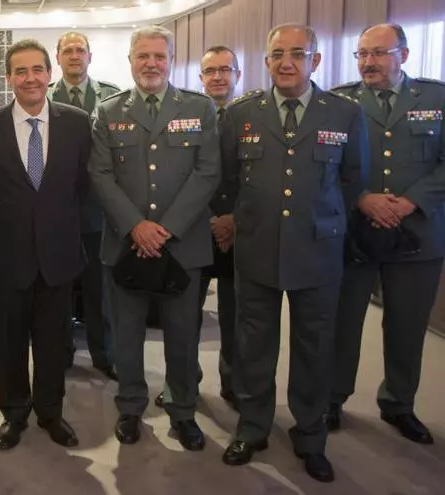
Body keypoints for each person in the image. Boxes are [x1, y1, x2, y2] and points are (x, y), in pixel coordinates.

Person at [219, 23, 370, 482]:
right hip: (257, 247)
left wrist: (321, 218)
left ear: (315, 61)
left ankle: (310, 435)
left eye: (298, 54)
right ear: (266, 61)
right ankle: (252, 427)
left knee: (314, 345)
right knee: (253, 344)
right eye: (277, 54)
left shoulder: (345, 113)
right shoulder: (241, 114)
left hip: (318, 250)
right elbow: (228, 180)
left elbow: (353, 180)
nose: (286, 62)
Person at [89, 25, 220, 451]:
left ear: (171, 60)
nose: (151, 64)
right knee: (126, 335)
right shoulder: (108, 111)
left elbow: (208, 173)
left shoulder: (199, 108)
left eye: (159, 56)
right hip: (125, 245)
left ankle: (183, 410)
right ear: (130, 60)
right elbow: (100, 174)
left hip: (182, 246)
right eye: (143, 56)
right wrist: (136, 226)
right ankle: (130, 407)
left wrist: (166, 229)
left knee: (182, 336)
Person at [327, 23, 445, 444]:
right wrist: (362, 199)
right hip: (353, 232)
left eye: (378, 53)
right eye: (361, 54)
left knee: (407, 325)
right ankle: (332, 398)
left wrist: (410, 201)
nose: (368, 62)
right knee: (343, 322)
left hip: (418, 233)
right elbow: (325, 163)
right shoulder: (339, 102)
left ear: (404, 55)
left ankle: (399, 403)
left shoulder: (436, 98)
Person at [0, 39, 90, 451]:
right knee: (8, 343)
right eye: (20, 71)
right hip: (7, 258)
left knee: (53, 342)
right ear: (9, 78)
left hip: (58, 255)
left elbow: (83, 185)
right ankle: (14, 414)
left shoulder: (77, 122)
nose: (30, 78)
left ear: (49, 73)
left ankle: (51, 412)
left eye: (37, 69)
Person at [154, 45, 242, 410]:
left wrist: (235, 218)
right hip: (192, 228)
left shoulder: (252, 115)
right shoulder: (184, 113)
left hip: (241, 230)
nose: (218, 77)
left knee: (237, 319)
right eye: (210, 71)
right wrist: (207, 218)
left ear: (238, 74)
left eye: (225, 69)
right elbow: (177, 176)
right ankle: (182, 382)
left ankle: (235, 385)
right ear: (200, 77)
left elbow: (262, 177)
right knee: (183, 319)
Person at [48, 31, 119, 380]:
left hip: (98, 210)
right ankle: (61, 352)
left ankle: (105, 354)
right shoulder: (44, 97)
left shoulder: (112, 97)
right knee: (57, 288)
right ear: (58, 58)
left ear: (90, 56)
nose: (75, 56)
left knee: (100, 289)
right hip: (56, 211)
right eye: (68, 51)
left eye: (80, 50)